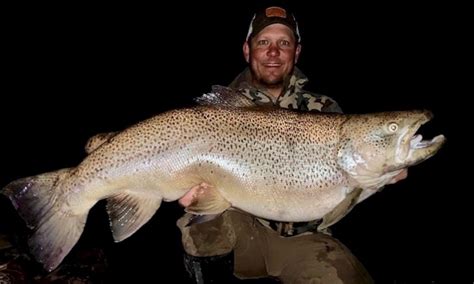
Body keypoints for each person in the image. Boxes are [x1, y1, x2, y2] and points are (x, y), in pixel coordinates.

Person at [176, 4, 408, 283]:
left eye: (283, 43)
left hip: (306, 240)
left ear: (296, 52)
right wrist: (196, 193)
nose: (273, 52)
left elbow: (345, 185)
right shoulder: (221, 113)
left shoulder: (323, 109)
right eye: (263, 42)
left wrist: (381, 173)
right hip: (241, 232)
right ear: (247, 50)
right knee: (201, 226)